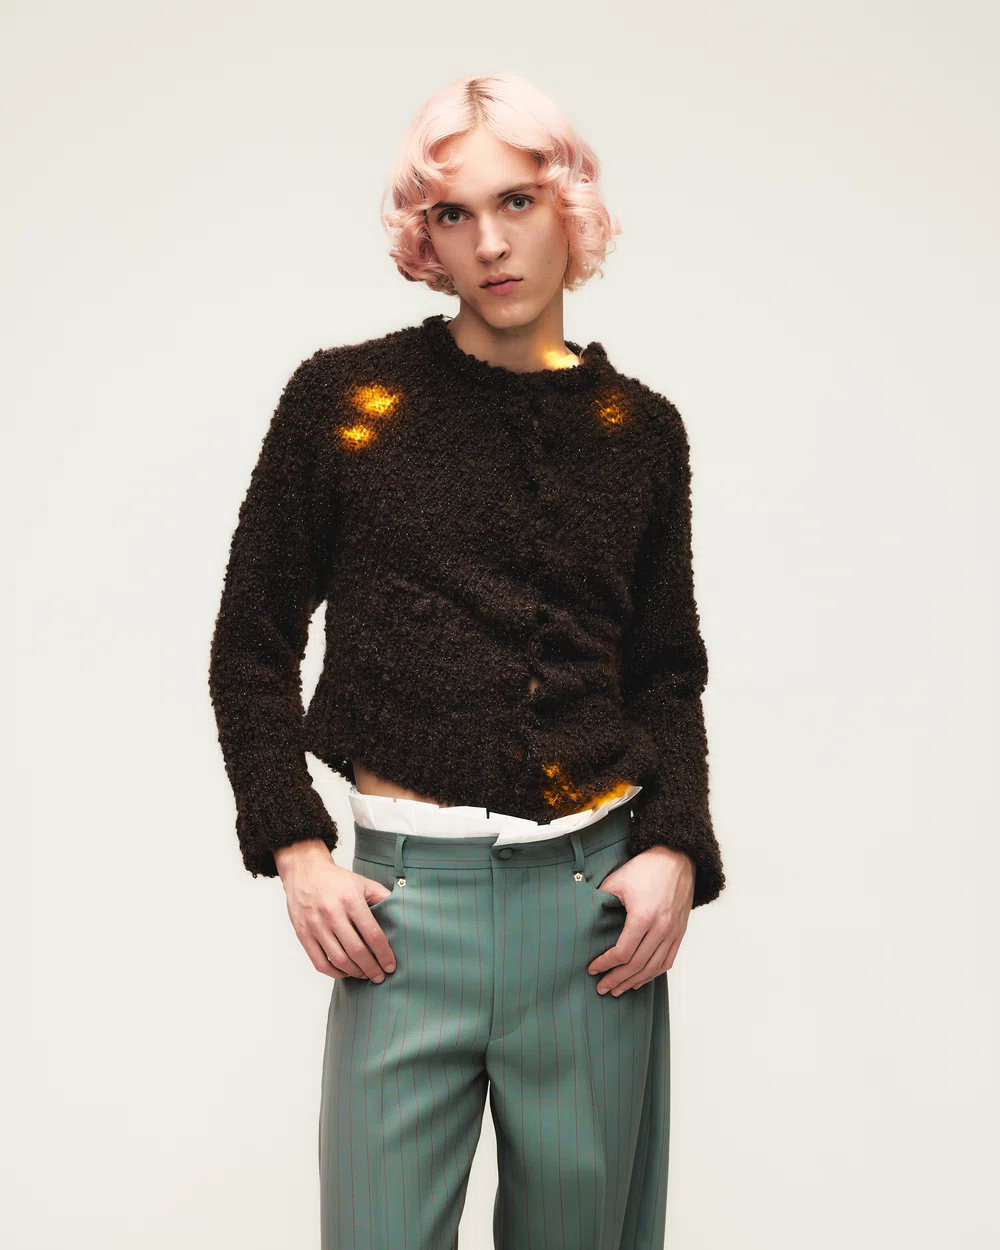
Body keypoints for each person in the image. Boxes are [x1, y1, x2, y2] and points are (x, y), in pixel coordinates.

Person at [208, 72, 726, 1250]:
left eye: (517, 201)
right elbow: (251, 640)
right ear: (423, 235)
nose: (490, 242)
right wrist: (294, 844)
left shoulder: (639, 432)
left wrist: (673, 846)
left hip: (591, 913)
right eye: (454, 213)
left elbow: (664, 670)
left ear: (568, 207)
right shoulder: (344, 401)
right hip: (403, 915)